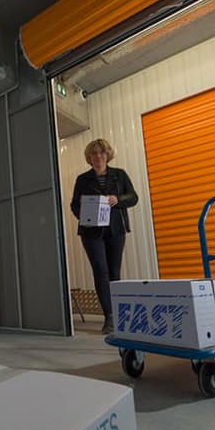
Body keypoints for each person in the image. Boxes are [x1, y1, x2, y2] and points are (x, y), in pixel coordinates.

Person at [70, 138, 138, 334]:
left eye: (101, 152)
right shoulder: (82, 179)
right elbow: (75, 204)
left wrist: (119, 199)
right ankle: (109, 316)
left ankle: (118, 313)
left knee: (114, 272)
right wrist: (85, 216)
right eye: (94, 153)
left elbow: (133, 197)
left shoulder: (120, 175)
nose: (98, 156)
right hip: (92, 232)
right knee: (100, 270)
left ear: (107, 155)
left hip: (116, 229)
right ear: (89, 158)